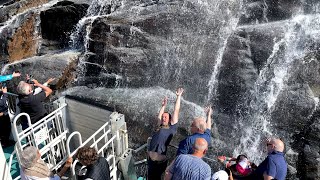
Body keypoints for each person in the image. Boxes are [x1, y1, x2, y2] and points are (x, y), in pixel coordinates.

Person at [147, 88, 184, 180]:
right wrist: (163, 106)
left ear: (170, 119)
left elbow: (176, 110)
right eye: (163, 117)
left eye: (166, 117)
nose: (164, 118)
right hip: (150, 161)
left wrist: (178, 96)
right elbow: (159, 117)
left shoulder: (171, 128)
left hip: (159, 163)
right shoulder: (158, 126)